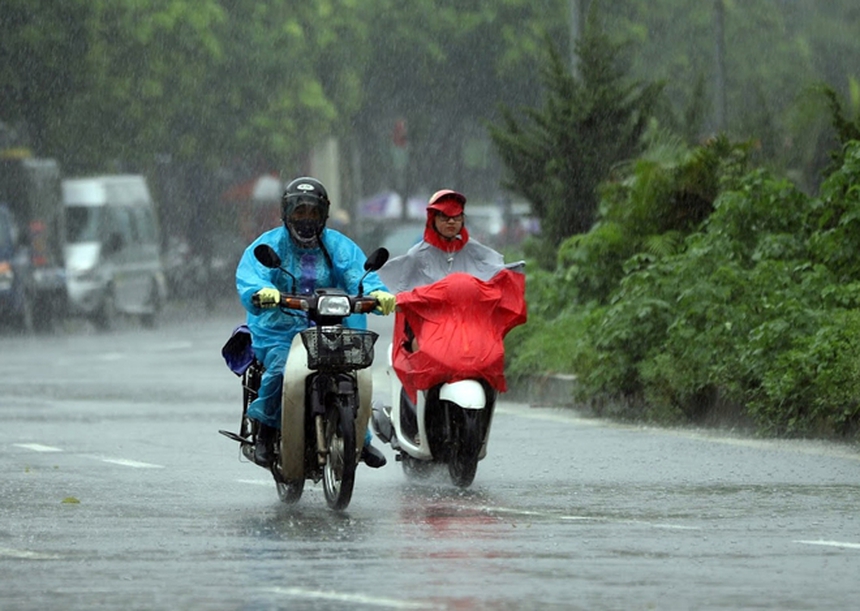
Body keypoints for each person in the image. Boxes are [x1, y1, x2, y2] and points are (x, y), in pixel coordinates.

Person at [235, 176, 396, 468]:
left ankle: (360, 440)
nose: (306, 219)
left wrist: (378, 294)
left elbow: (360, 274)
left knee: (356, 376)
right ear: (287, 213)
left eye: (313, 212)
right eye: (300, 211)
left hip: (332, 327)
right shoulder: (269, 245)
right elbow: (252, 275)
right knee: (281, 369)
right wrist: (263, 292)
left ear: (324, 215)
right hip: (279, 329)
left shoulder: (338, 245)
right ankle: (267, 432)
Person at [377, 189, 508, 293]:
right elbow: (396, 287)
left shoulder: (475, 251)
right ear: (432, 219)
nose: (451, 222)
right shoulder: (418, 254)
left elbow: (498, 272)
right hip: (428, 322)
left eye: (456, 217)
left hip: (467, 321)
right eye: (444, 217)